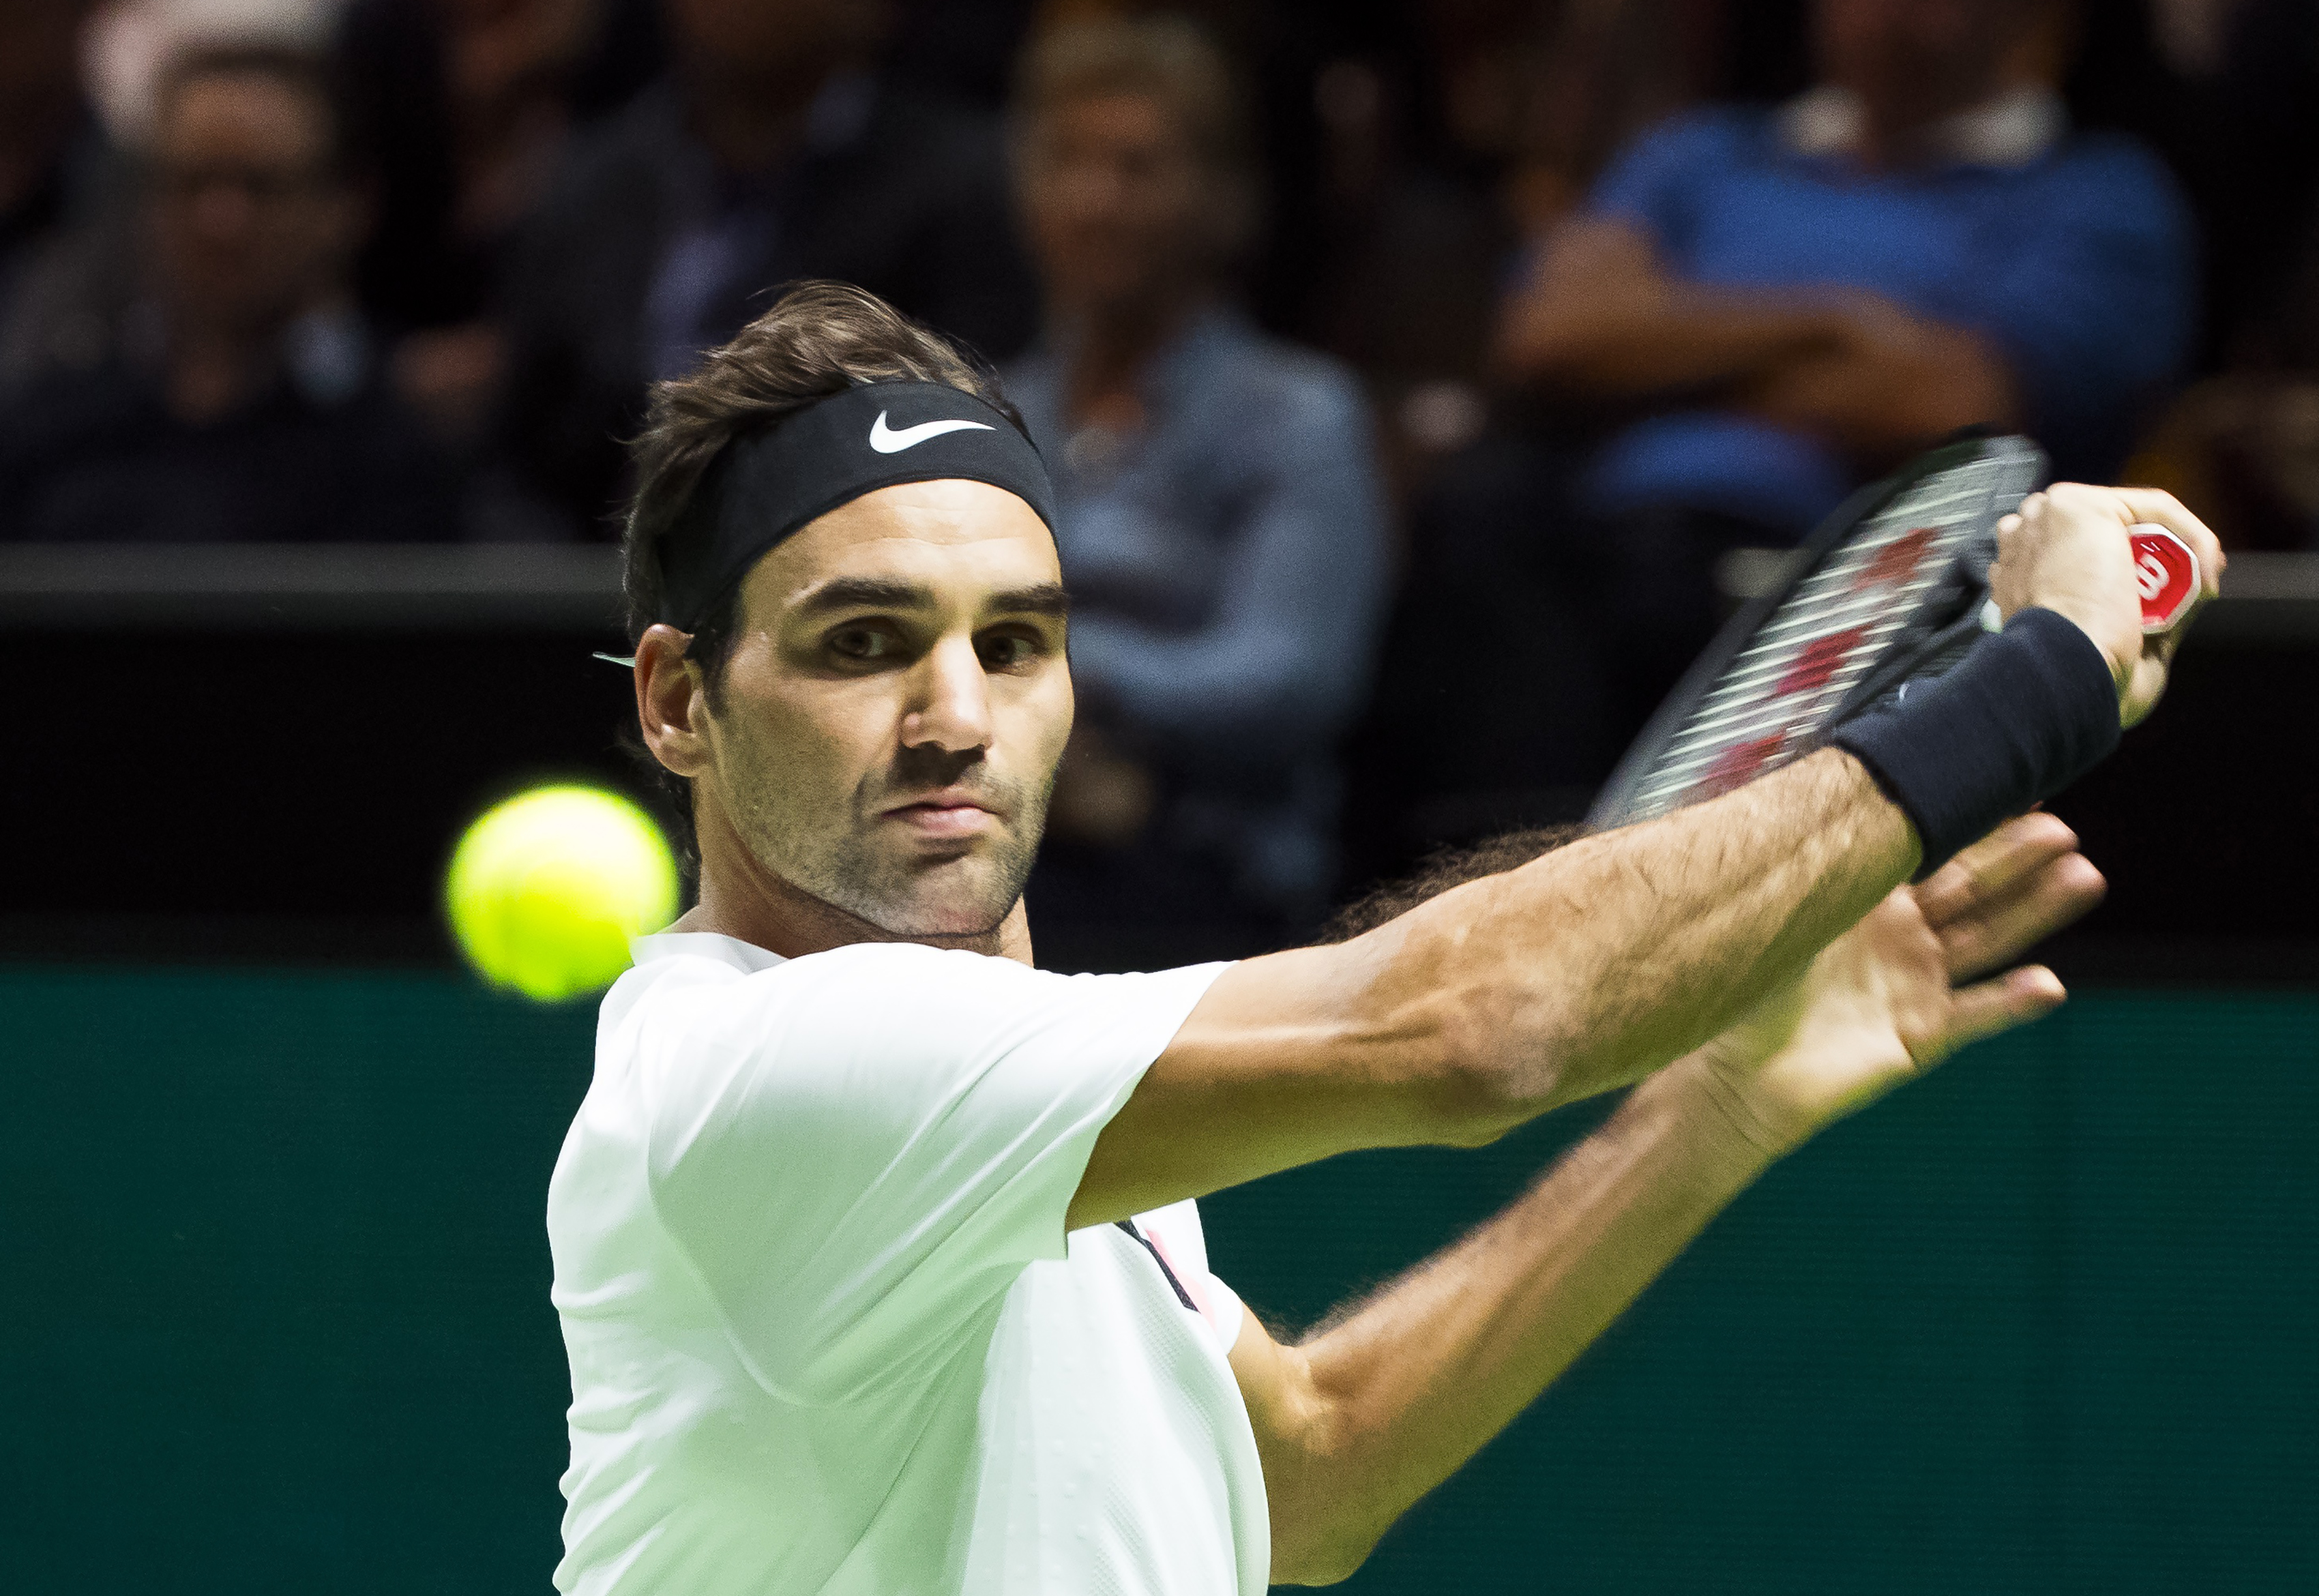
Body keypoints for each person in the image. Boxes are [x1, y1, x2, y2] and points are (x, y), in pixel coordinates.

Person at [546, 278, 2219, 1593]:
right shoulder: (772, 1070)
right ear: (681, 701)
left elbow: (1304, 1470)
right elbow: (1478, 1023)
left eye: (1015, 641)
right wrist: (2040, 681)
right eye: (861, 642)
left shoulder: (1012, 1110)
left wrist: (1715, 1106)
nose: (956, 716)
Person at [1367, 0, 2198, 853]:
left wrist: (1653, 361)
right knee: (1475, 518)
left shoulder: (2099, 191)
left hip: (1850, 572)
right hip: (1584, 544)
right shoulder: (1702, 151)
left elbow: (1951, 408)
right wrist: (1833, 323)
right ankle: (1486, 885)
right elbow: (1549, 337)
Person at [1002, 17, 1390, 960]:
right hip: (1011, 815)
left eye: (1137, 168)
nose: (1097, 199)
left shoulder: (1298, 412)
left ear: (1223, 200)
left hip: (1206, 860)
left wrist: (1051, 674)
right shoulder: (989, 407)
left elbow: (1289, 678)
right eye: (1068, 161)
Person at [492, 0, 1039, 535]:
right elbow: (519, 444)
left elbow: (969, 420)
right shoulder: (594, 179)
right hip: (584, 562)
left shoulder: (959, 182)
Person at [0, 44, 459, 542]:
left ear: (347, 205)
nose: (220, 222)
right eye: (193, 182)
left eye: (260, 186)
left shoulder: (402, 435)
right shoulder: (55, 429)